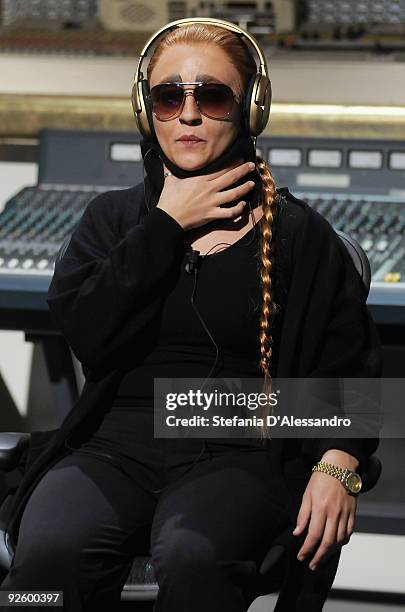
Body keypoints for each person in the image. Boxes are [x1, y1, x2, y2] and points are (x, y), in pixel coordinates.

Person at [0, 19, 383, 612]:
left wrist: (340, 464)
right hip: (111, 447)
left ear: (251, 109)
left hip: (241, 448)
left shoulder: (299, 234)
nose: (188, 114)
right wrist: (165, 226)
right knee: (42, 571)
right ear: (145, 107)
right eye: (168, 96)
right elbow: (88, 333)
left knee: (193, 554)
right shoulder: (114, 220)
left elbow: (353, 372)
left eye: (212, 95)